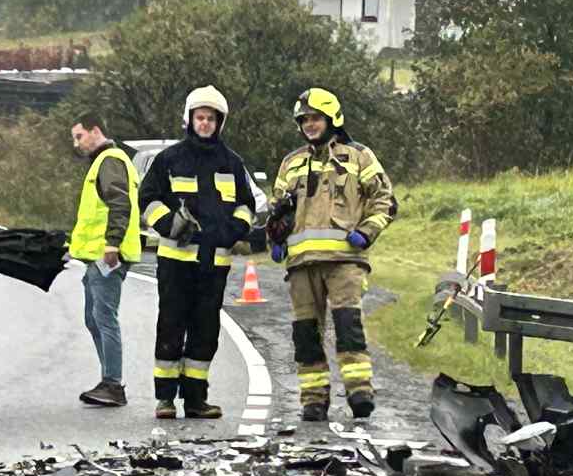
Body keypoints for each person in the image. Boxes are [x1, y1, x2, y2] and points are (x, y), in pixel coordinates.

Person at [270, 86, 395, 422]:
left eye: (316, 118)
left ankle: (359, 392)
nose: (310, 124)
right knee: (305, 335)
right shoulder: (291, 163)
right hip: (301, 264)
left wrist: (366, 233)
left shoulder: (358, 156)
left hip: (345, 261)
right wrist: (275, 237)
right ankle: (313, 400)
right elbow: (277, 208)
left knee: (348, 327)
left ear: (332, 119)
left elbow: (385, 200)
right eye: (304, 120)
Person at [138, 85, 257, 420]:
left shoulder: (232, 163)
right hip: (175, 262)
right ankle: (165, 399)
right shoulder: (169, 160)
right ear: (189, 120)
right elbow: (147, 198)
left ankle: (195, 400)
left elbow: (247, 205)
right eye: (200, 117)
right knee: (171, 327)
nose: (205, 123)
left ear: (220, 123)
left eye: (211, 119)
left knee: (205, 332)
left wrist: (233, 231)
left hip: (214, 264)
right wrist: (169, 225)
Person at [67, 113, 142, 407]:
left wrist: (112, 243)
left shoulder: (109, 160)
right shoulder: (104, 161)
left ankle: (113, 383)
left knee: (104, 317)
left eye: (79, 136)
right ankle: (108, 380)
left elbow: (119, 203)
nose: (77, 143)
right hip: (96, 257)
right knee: (93, 318)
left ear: (95, 130)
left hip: (108, 256)